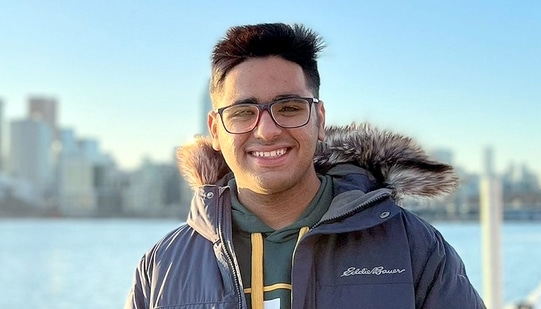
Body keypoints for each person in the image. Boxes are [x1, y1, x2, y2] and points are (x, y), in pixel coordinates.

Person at [125, 23, 485, 309]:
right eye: (242, 113)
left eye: (289, 108)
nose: (266, 130)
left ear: (319, 119)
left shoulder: (411, 246)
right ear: (216, 130)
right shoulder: (162, 266)